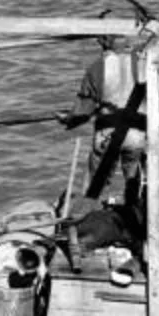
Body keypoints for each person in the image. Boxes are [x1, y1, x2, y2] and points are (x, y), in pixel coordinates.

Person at [57, 34, 147, 203]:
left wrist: (67, 119)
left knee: (95, 186)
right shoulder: (143, 64)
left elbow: (84, 110)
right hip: (138, 134)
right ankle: (134, 213)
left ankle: (92, 214)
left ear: (105, 43)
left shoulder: (97, 68)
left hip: (107, 134)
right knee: (136, 182)